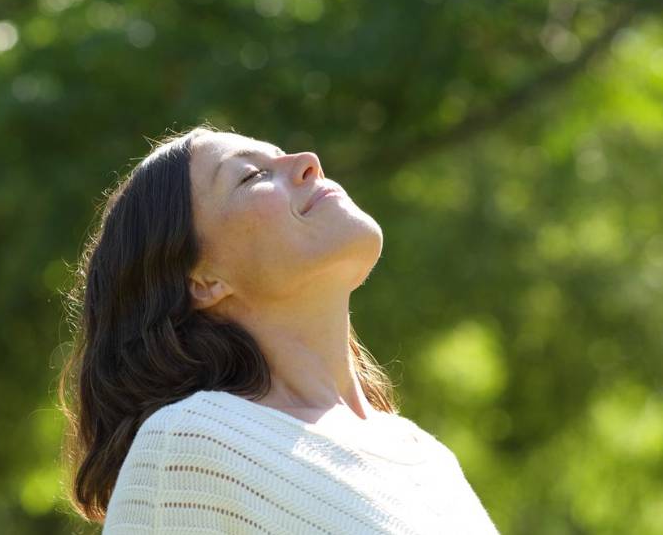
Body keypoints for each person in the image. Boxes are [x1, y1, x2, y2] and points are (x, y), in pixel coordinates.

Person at [58, 125, 500, 534]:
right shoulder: (191, 446)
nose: (309, 161)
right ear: (203, 281)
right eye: (251, 176)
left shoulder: (426, 457)